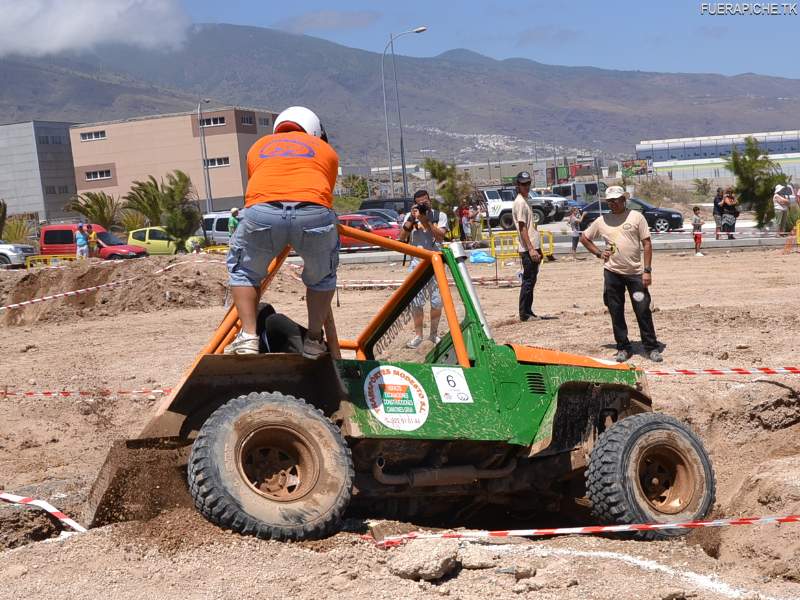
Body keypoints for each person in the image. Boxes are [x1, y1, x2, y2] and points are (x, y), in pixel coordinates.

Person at [224, 106, 339, 358]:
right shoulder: (326, 151)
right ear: (314, 130)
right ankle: (314, 340)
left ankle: (248, 336)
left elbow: (256, 182)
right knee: (322, 277)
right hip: (313, 211)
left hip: (264, 210)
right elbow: (325, 192)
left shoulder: (258, 146)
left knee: (244, 271)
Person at [580, 185, 662, 363]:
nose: (613, 203)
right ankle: (623, 347)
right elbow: (584, 238)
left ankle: (651, 347)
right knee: (616, 311)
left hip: (635, 275)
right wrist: (598, 253)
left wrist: (647, 270)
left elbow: (647, 244)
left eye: (616, 200)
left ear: (624, 200)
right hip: (612, 274)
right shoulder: (602, 221)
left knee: (642, 310)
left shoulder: (636, 217)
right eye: (610, 201)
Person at [399, 189, 449, 348]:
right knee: (416, 303)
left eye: (425, 202)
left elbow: (441, 236)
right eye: (419, 203)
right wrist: (412, 221)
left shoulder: (439, 216)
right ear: (414, 204)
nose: (422, 205)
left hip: (435, 263)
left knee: (437, 301)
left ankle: (433, 334)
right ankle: (418, 335)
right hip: (416, 263)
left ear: (430, 201)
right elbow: (401, 238)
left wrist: (426, 220)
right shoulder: (410, 217)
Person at [512, 171, 543, 321]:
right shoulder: (520, 203)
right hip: (527, 248)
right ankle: (524, 313)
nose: (527, 186)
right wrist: (530, 248)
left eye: (528, 183)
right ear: (518, 185)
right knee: (528, 281)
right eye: (523, 184)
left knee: (532, 280)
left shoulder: (525, 200)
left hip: (532, 246)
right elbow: (522, 227)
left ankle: (528, 311)